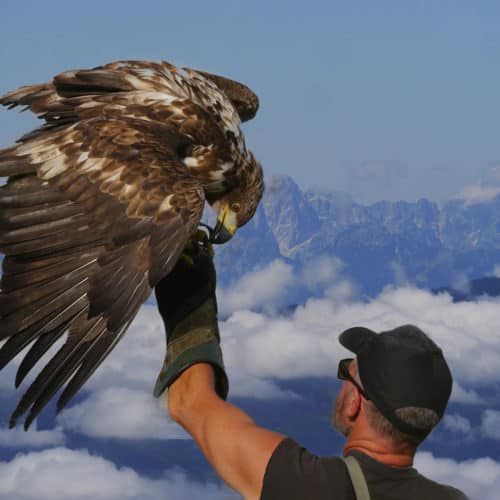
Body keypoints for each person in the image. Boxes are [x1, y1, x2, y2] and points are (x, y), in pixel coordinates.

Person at [154, 234, 468, 500]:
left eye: (348, 371)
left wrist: (191, 297)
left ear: (355, 403)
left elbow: (189, 402)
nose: (342, 379)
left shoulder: (312, 487)